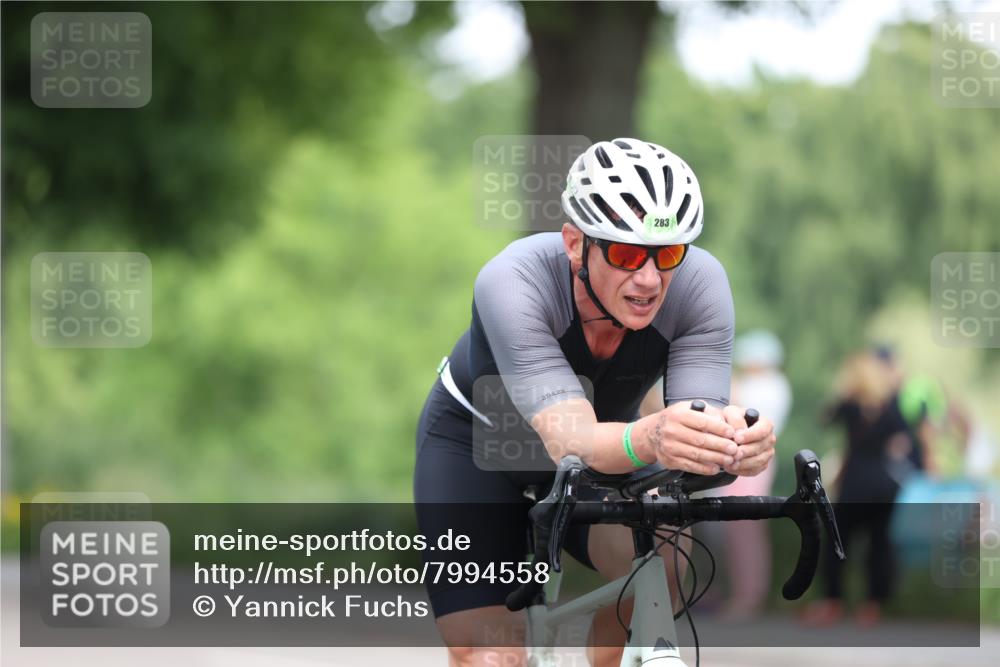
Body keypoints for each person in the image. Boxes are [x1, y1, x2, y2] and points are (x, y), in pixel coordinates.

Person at [413, 138, 777, 667]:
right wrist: (655, 435)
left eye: (668, 254)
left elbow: (697, 423)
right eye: (627, 254)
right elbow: (573, 440)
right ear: (574, 243)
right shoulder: (514, 281)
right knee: (491, 653)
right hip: (478, 451)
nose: (650, 279)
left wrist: (737, 443)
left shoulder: (700, 285)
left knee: (664, 571)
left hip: (606, 450)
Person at [804, 352, 910, 628]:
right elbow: (903, 440)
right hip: (883, 483)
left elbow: (825, 418)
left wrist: (843, 393)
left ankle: (832, 601)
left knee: (838, 543)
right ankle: (872, 605)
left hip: (855, 482)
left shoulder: (849, 405)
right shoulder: (890, 406)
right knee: (878, 544)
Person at [713, 329, 792, 619]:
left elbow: (741, 407)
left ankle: (748, 597)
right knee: (735, 532)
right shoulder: (764, 383)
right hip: (742, 459)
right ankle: (739, 593)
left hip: (751, 459)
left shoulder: (768, 385)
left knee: (744, 530)